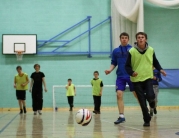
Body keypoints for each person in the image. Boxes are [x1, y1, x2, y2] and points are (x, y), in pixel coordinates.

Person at [125, 32, 166, 126]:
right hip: (136, 80)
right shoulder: (131, 51)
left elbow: (155, 62)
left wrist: (161, 69)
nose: (140, 39)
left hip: (148, 77)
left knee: (151, 96)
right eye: (138, 37)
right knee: (142, 101)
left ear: (145, 39)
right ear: (136, 40)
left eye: (142, 37)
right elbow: (127, 66)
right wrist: (132, 72)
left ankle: (152, 102)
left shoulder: (151, 50)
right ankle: (146, 119)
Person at [105, 32, 137, 124]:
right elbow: (114, 62)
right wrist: (109, 70)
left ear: (128, 39)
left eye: (126, 38)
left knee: (137, 94)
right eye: (122, 38)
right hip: (120, 76)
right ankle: (121, 116)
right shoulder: (116, 51)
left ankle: (145, 111)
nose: (124, 39)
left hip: (131, 75)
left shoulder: (132, 50)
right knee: (119, 94)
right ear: (120, 39)